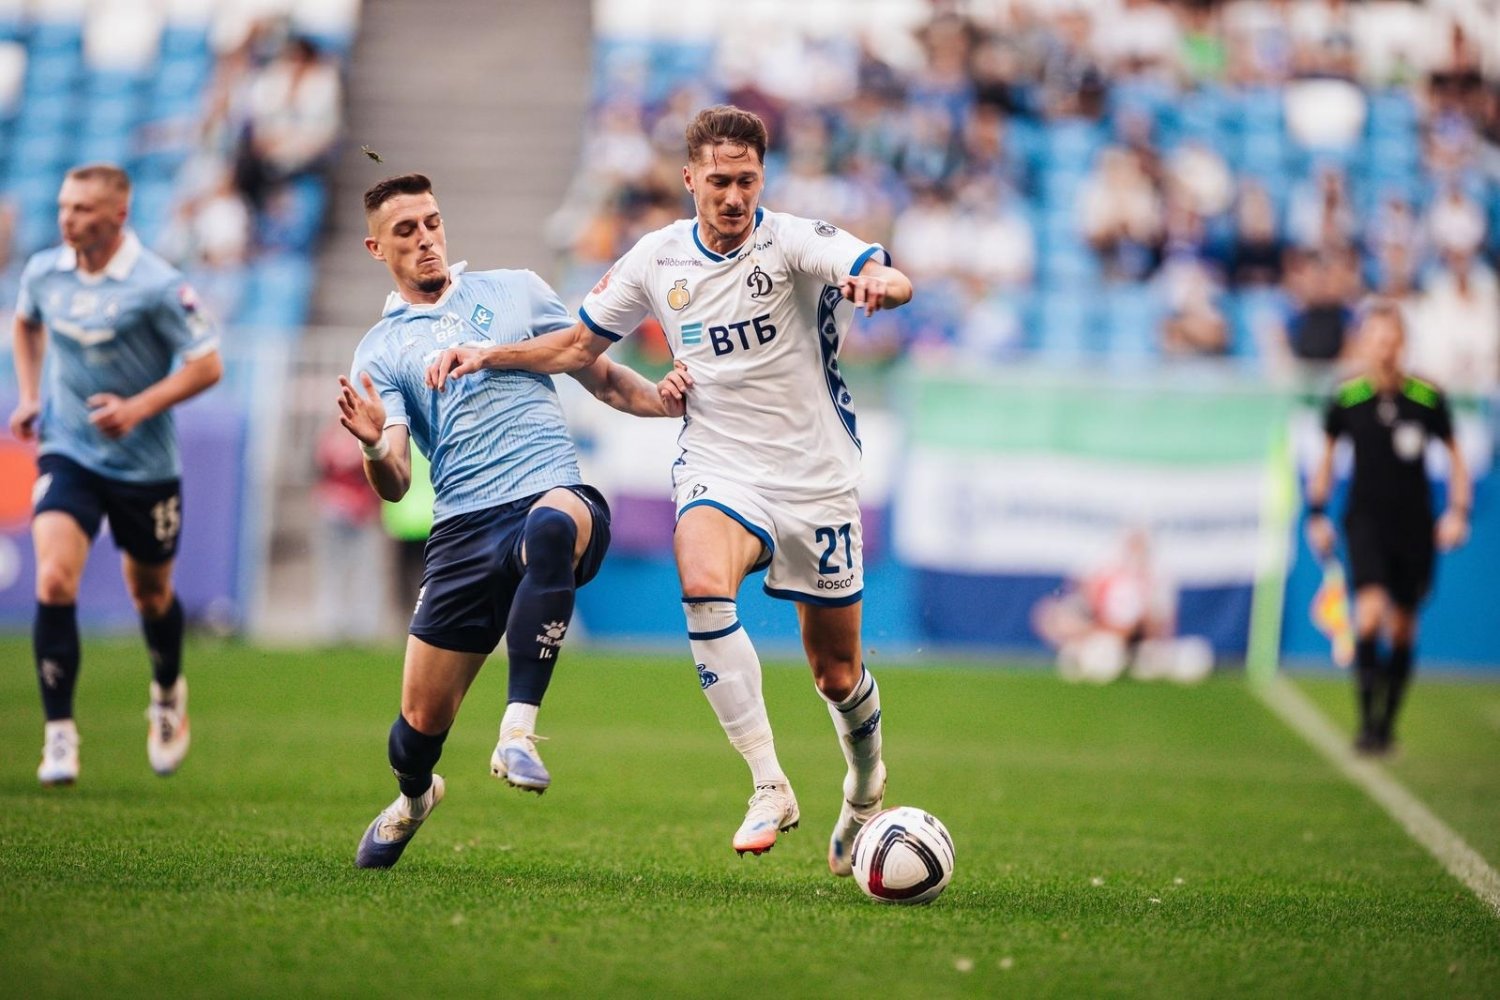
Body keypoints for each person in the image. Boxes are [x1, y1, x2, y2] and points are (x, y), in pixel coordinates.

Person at [427, 105, 915, 875]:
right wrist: (489, 354)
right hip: (719, 465)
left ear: (762, 178)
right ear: (690, 178)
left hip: (816, 481)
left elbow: (879, 269)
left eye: (746, 180)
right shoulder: (656, 259)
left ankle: (863, 786)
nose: (733, 196)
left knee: (837, 673)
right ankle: (769, 783)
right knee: (701, 581)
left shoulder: (793, 240)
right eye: (719, 181)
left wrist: (882, 282)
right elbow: (580, 345)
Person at [344, 173, 687, 869]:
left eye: (432, 222)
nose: (426, 239)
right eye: (406, 230)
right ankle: (414, 797)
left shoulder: (516, 291)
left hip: (550, 491)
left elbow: (599, 374)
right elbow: (397, 481)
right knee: (416, 732)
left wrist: (665, 400)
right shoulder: (379, 350)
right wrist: (375, 445)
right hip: (464, 530)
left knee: (553, 527)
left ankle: (517, 733)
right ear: (377, 248)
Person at [7, 163, 223, 786]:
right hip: (69, 450)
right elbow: (25, 322)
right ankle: (59, 735)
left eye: (81, 209)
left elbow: (207, 365)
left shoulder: (157, 285)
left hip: (144, 466)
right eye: (63, 207)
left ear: (118, 216)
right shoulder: (45, 271)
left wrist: (137, 409)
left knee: (149, 594)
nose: (66, 219)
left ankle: (167, 693)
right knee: (53, 578)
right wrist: (30, 395)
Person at [1306, 300, 1472, 755]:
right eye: (1376, 340)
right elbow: (1326, 459)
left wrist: (1458, 510)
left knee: (1401, 627)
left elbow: (1457, 457)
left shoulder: (1426, 398)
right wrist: (1316, 513)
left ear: (1403, 344)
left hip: (1413, 525)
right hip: (1365, 520)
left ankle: (1386, 724)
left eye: (1392, 340)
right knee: (1369, 613)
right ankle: (1365, 724)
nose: (1385, 349)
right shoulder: (1347, 397)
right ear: (1363, 344)